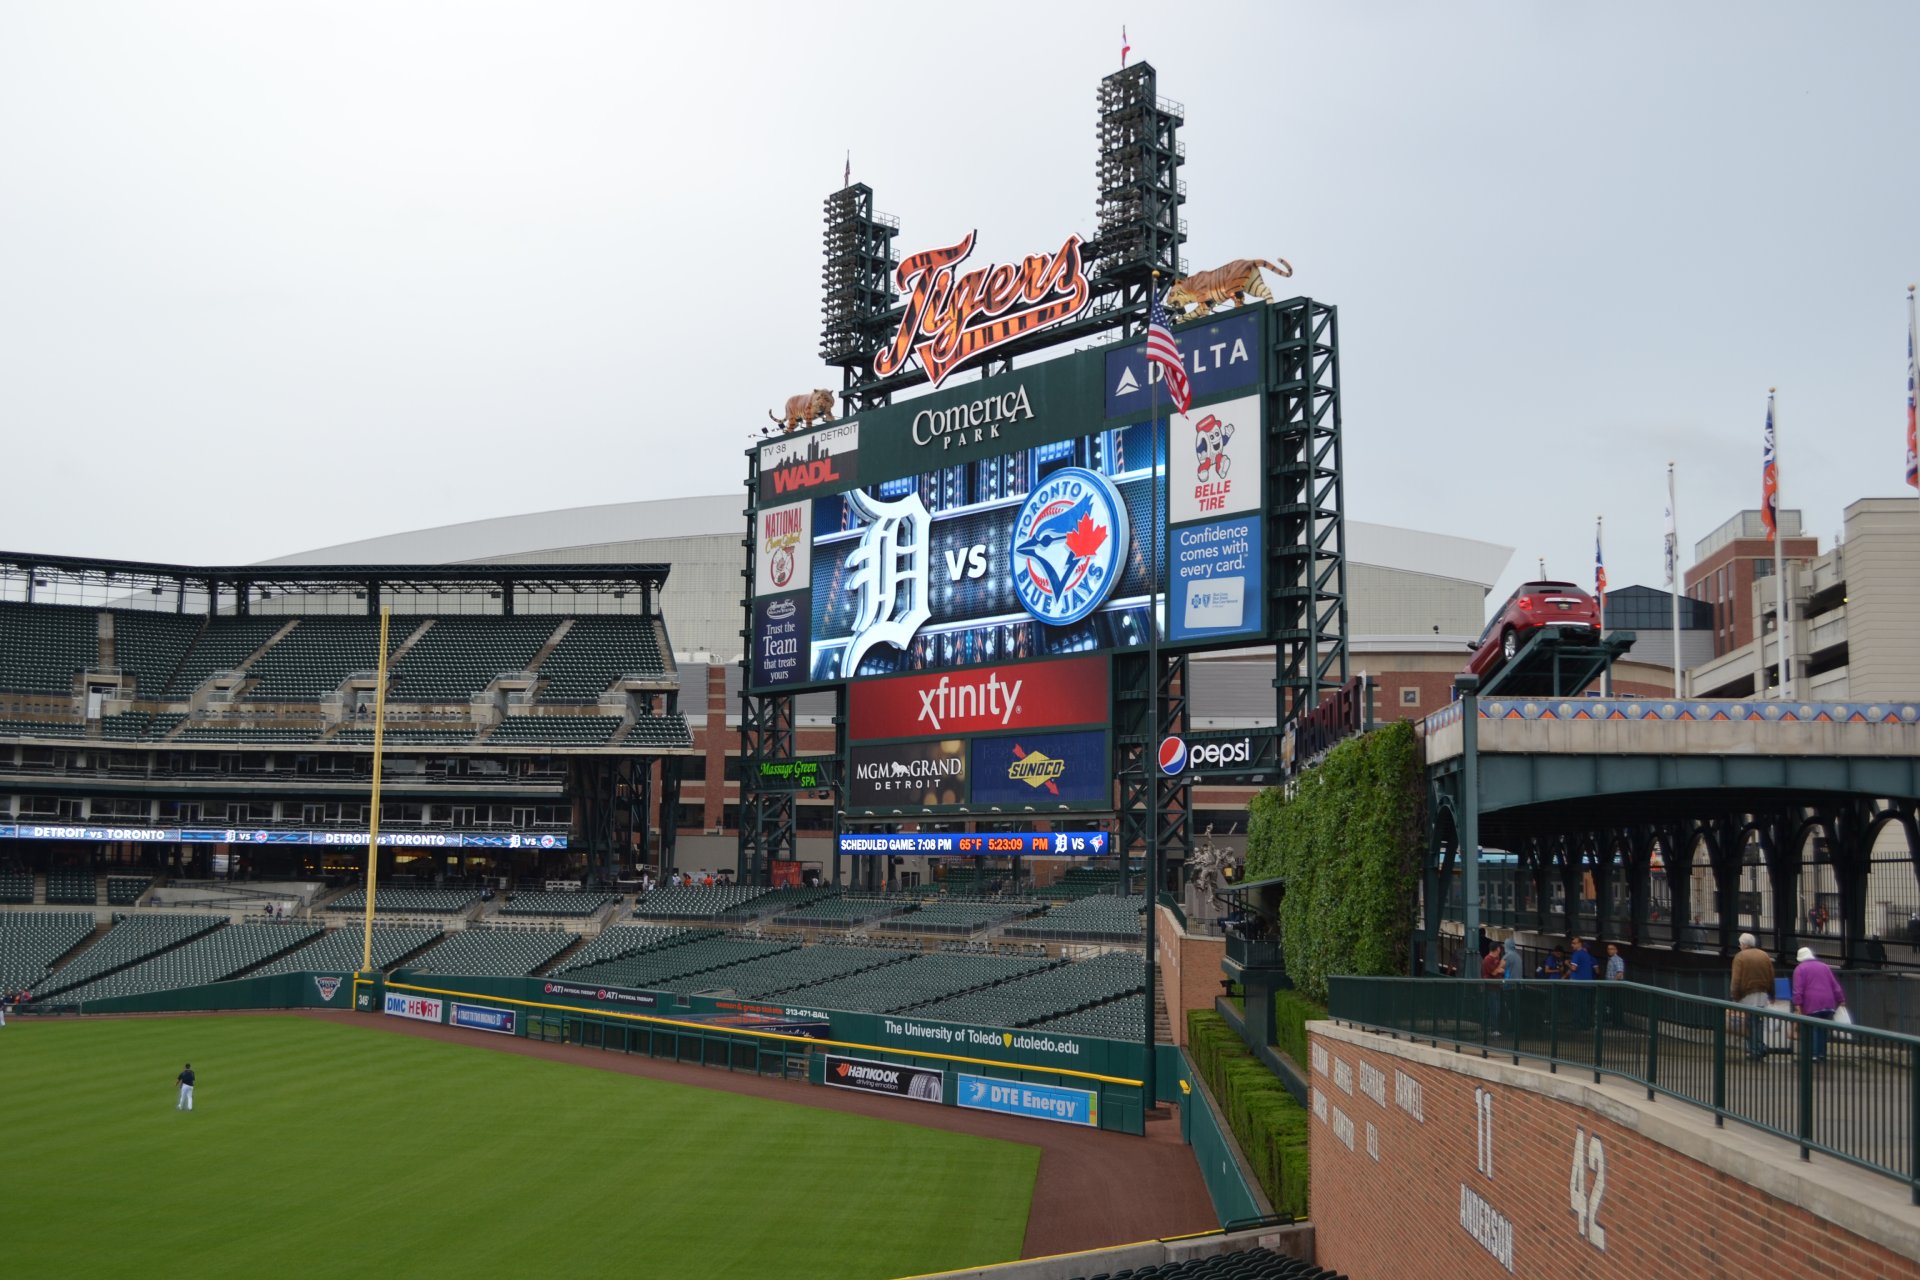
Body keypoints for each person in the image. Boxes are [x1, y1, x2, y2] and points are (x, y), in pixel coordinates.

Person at [1791, 946, 1846, 1063]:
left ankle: (1814, 1055)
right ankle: (1821, 1054)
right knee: (1822, 1029)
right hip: (1828, 1002)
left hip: (1812, 1003)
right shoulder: (1824, 966)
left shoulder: (1800, 969)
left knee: (1814, 1029)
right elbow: (1835, 985)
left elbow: (1798, 989)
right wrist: (1841, 999)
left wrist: (1797, 1003)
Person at [1731, 933, 1775, 1060]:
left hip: (1747, 995)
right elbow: (1771, 976)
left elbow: (1736, 979)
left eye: (1740, 944)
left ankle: (1754, 1049)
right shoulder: (1764, 955)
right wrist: (1772, 994)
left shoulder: (1740, 957)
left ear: (1744, 944)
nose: (1740, 946)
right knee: (1758, 1022)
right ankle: (1759, 1047)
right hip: (1762, 994)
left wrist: (1735, 995)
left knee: (1750, 1023)